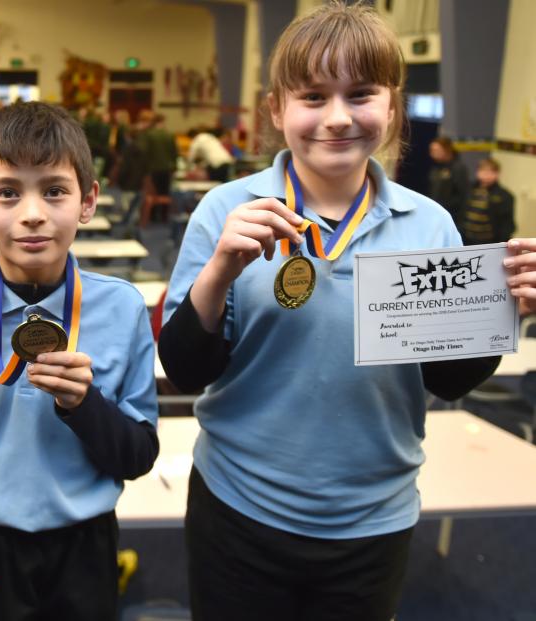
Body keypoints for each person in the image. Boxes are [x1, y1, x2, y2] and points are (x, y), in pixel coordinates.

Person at [158, 4, 531, 620]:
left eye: (360, 94)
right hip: (239, 508)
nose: (336, 118)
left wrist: (502, 309)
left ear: (391, 106)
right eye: (312, 96)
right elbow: (185, 370)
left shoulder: (429, 223)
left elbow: (448, 378)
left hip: (373, 517)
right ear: (277, 109)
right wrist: (222, 267)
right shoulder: (225, 210)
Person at [0, 102, 159, 620]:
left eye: (54, 190)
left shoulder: (123, 308)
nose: (32, 213)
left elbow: (138, 456)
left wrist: (83, 404)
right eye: (7, 192)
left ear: (87, 201)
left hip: (84, 546)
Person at [461, 157, 515, 245]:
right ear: (477, 172)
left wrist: (501, 244)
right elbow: (461, 212)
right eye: (483, 171)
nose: (486, 175)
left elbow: (507, 225)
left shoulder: (505, 196)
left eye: (490, 172)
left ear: (497, 174)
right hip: (466, 238)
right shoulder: (469, 189)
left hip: (488, 241)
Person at [428, 135, 470, 230]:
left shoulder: (458, 168)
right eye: (432, 150)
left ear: (446, 150)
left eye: (436, 150)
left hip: (452, 218)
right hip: (436, 214)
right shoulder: (436, 168)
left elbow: (463, 196)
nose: (433, 153)